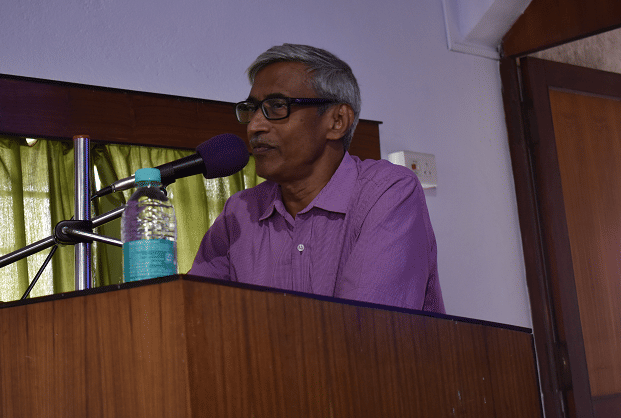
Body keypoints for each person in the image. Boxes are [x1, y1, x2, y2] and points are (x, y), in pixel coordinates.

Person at [188, 44, 445, 313]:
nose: (254, 125)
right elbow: (196, 316)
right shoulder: (240, 213)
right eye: (251, 109)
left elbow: (365, 329)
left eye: (277, 106)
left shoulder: (387, 192)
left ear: (337, 121)